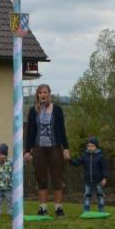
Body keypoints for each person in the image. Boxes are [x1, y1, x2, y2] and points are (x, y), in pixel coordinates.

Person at [24, 84, 70, 218]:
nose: (43, 95)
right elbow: (30, 132)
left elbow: (62, 130)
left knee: (57, 178)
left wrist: (66, 148)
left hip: (55, 148)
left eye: (45, 92)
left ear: (49, 94)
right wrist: (27, 151)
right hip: (39, 149)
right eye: (40, 93)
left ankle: (58, 209)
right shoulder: (33, 111)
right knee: (41, 179)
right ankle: (42, 209)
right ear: (37, 95)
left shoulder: (57, 110)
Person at [70, 136, 108, 212]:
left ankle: (101, 210)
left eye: (92, 146)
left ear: (96, 147)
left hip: (98, 181)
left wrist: (104, 178)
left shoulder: (100, 156)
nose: (90, 148)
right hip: (87, 181)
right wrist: (69, 159)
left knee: (100, 195)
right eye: (89, 146)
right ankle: (86, 210)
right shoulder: (84, 156)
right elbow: (77, 163)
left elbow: (104, 168)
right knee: (87, 196)